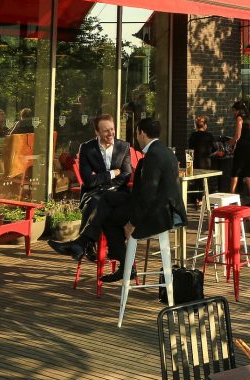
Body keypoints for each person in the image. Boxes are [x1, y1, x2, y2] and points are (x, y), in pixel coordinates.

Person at [99, 117, 186, 283]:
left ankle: (125, 263)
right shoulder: (166, 151)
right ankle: (106, 247)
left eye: (137, 133)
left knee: (109, 219)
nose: (137, 137)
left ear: (142, 133)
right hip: (166, 209)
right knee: (108, 198)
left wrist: (132, 223)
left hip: (158, 214)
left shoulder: (153, 155)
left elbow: (148, 195)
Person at [49, 115, 133, 261]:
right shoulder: (87, 148)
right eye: (106, 130)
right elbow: (88, 181)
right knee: (95, 201)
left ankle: (81, 244)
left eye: (112, 129)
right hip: (94, 192)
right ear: (97, 132)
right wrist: (113, 173)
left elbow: (126, 174)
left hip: (118, 193)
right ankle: (85, 245)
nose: (110, 133)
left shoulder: (123, 146)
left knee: (96, 202)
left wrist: (104, 182)